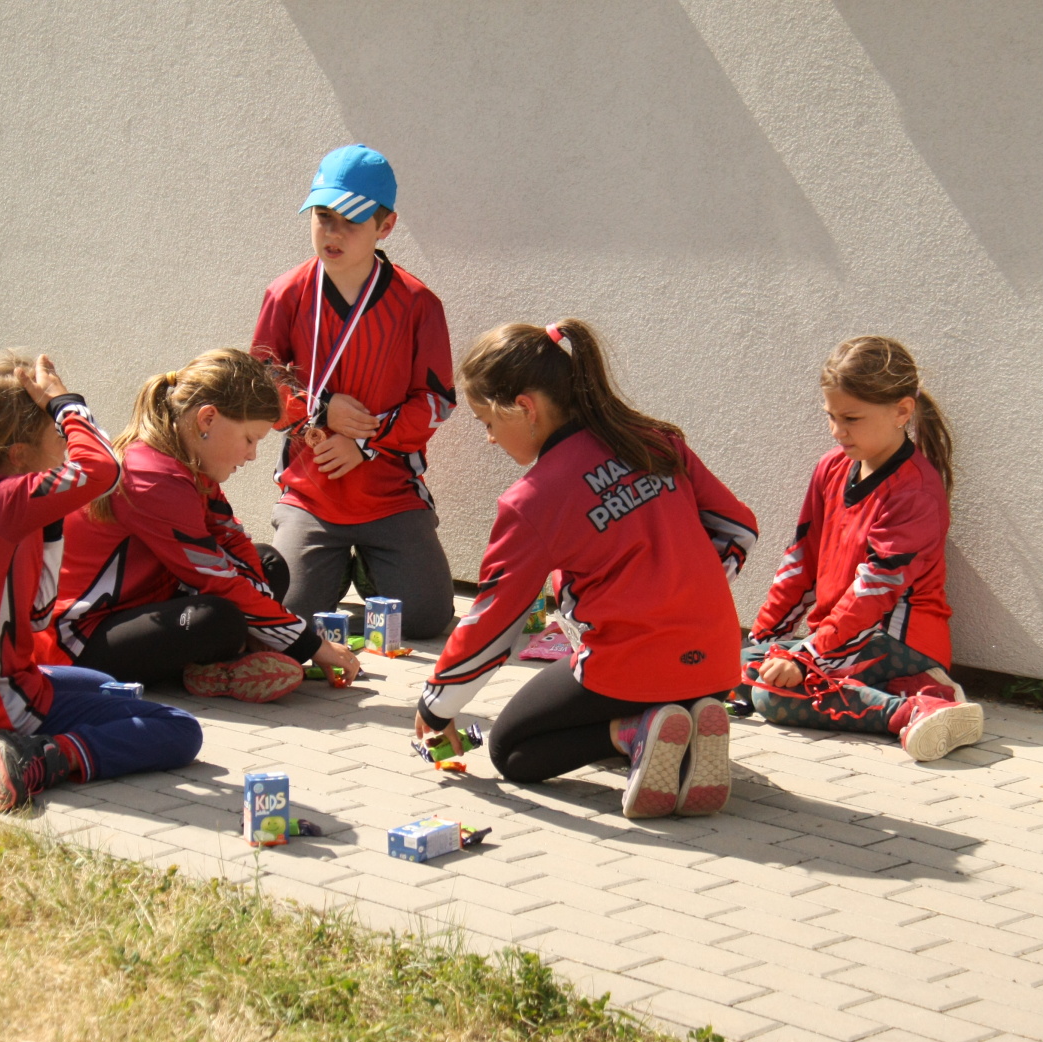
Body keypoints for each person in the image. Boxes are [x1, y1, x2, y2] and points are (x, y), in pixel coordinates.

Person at [415, 320, 758, 819]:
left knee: (512, 750)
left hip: (628, 663)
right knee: (647, 694)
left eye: (486, 422)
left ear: (526, 407)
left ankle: (636, 731)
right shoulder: (657, 441)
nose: (489, 439)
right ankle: (680, 725)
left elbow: (494, 619)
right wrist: (683, 590)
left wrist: (436, 706)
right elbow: (739, 529)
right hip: (717, 662)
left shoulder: (531, 500)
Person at [0, 351, 202, 812]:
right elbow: (104, 470)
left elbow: (39, 616)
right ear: (19, 455)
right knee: (179, 728)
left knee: (101, 682)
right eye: (56, 434)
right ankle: (40, 756)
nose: (66, 445)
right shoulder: (6, 502)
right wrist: (66, 405)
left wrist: (53, 520)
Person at [38, 348, 363, 702]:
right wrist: (311, 645)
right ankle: (216, 667)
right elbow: (216, 578)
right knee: (219, 618)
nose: (252, 455)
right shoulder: (152, 476)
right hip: (81, 637)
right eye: (250, 439)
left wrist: (282, 631)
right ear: (208, 419)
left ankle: (229, 655)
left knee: (267, 562)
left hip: (145, 602)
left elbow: (233, 542)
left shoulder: (188, 464)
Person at [742, 336, 983, 761]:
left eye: (851, 418)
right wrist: (763, 640)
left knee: (771, 696)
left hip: (896, 641)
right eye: (831, 417)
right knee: (738, 667)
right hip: (840, 637)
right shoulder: (830, 467)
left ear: (902, 412)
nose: (838, 431)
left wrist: (806, 658)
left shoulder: (915, 492)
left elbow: (873, 593)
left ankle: (916, 710)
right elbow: (800, 562)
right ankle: (906, 689)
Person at [252, 144, 457, 639]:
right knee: (291, 617)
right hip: (311, 493)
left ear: (386, 226)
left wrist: (365, 440)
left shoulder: (418, 303)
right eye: (323, 217)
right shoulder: (285, 293)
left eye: (352, 221)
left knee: (426, 619)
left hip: (390, 494)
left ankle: (369, 568)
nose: (333, 233)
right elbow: (258, 385)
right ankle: (328, 566)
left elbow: (436, 401)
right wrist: (320, 410)